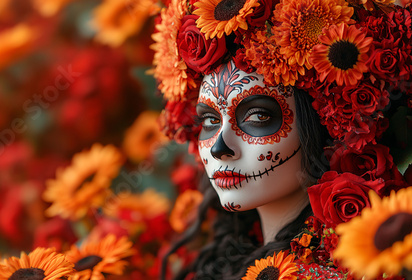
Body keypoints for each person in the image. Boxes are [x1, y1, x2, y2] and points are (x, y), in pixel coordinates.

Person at [151, 0, 412, 279]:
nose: (219, 148)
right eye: (210, 121)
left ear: (325, 124)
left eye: (258, 118)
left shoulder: (351, 270)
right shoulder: (223, 259)